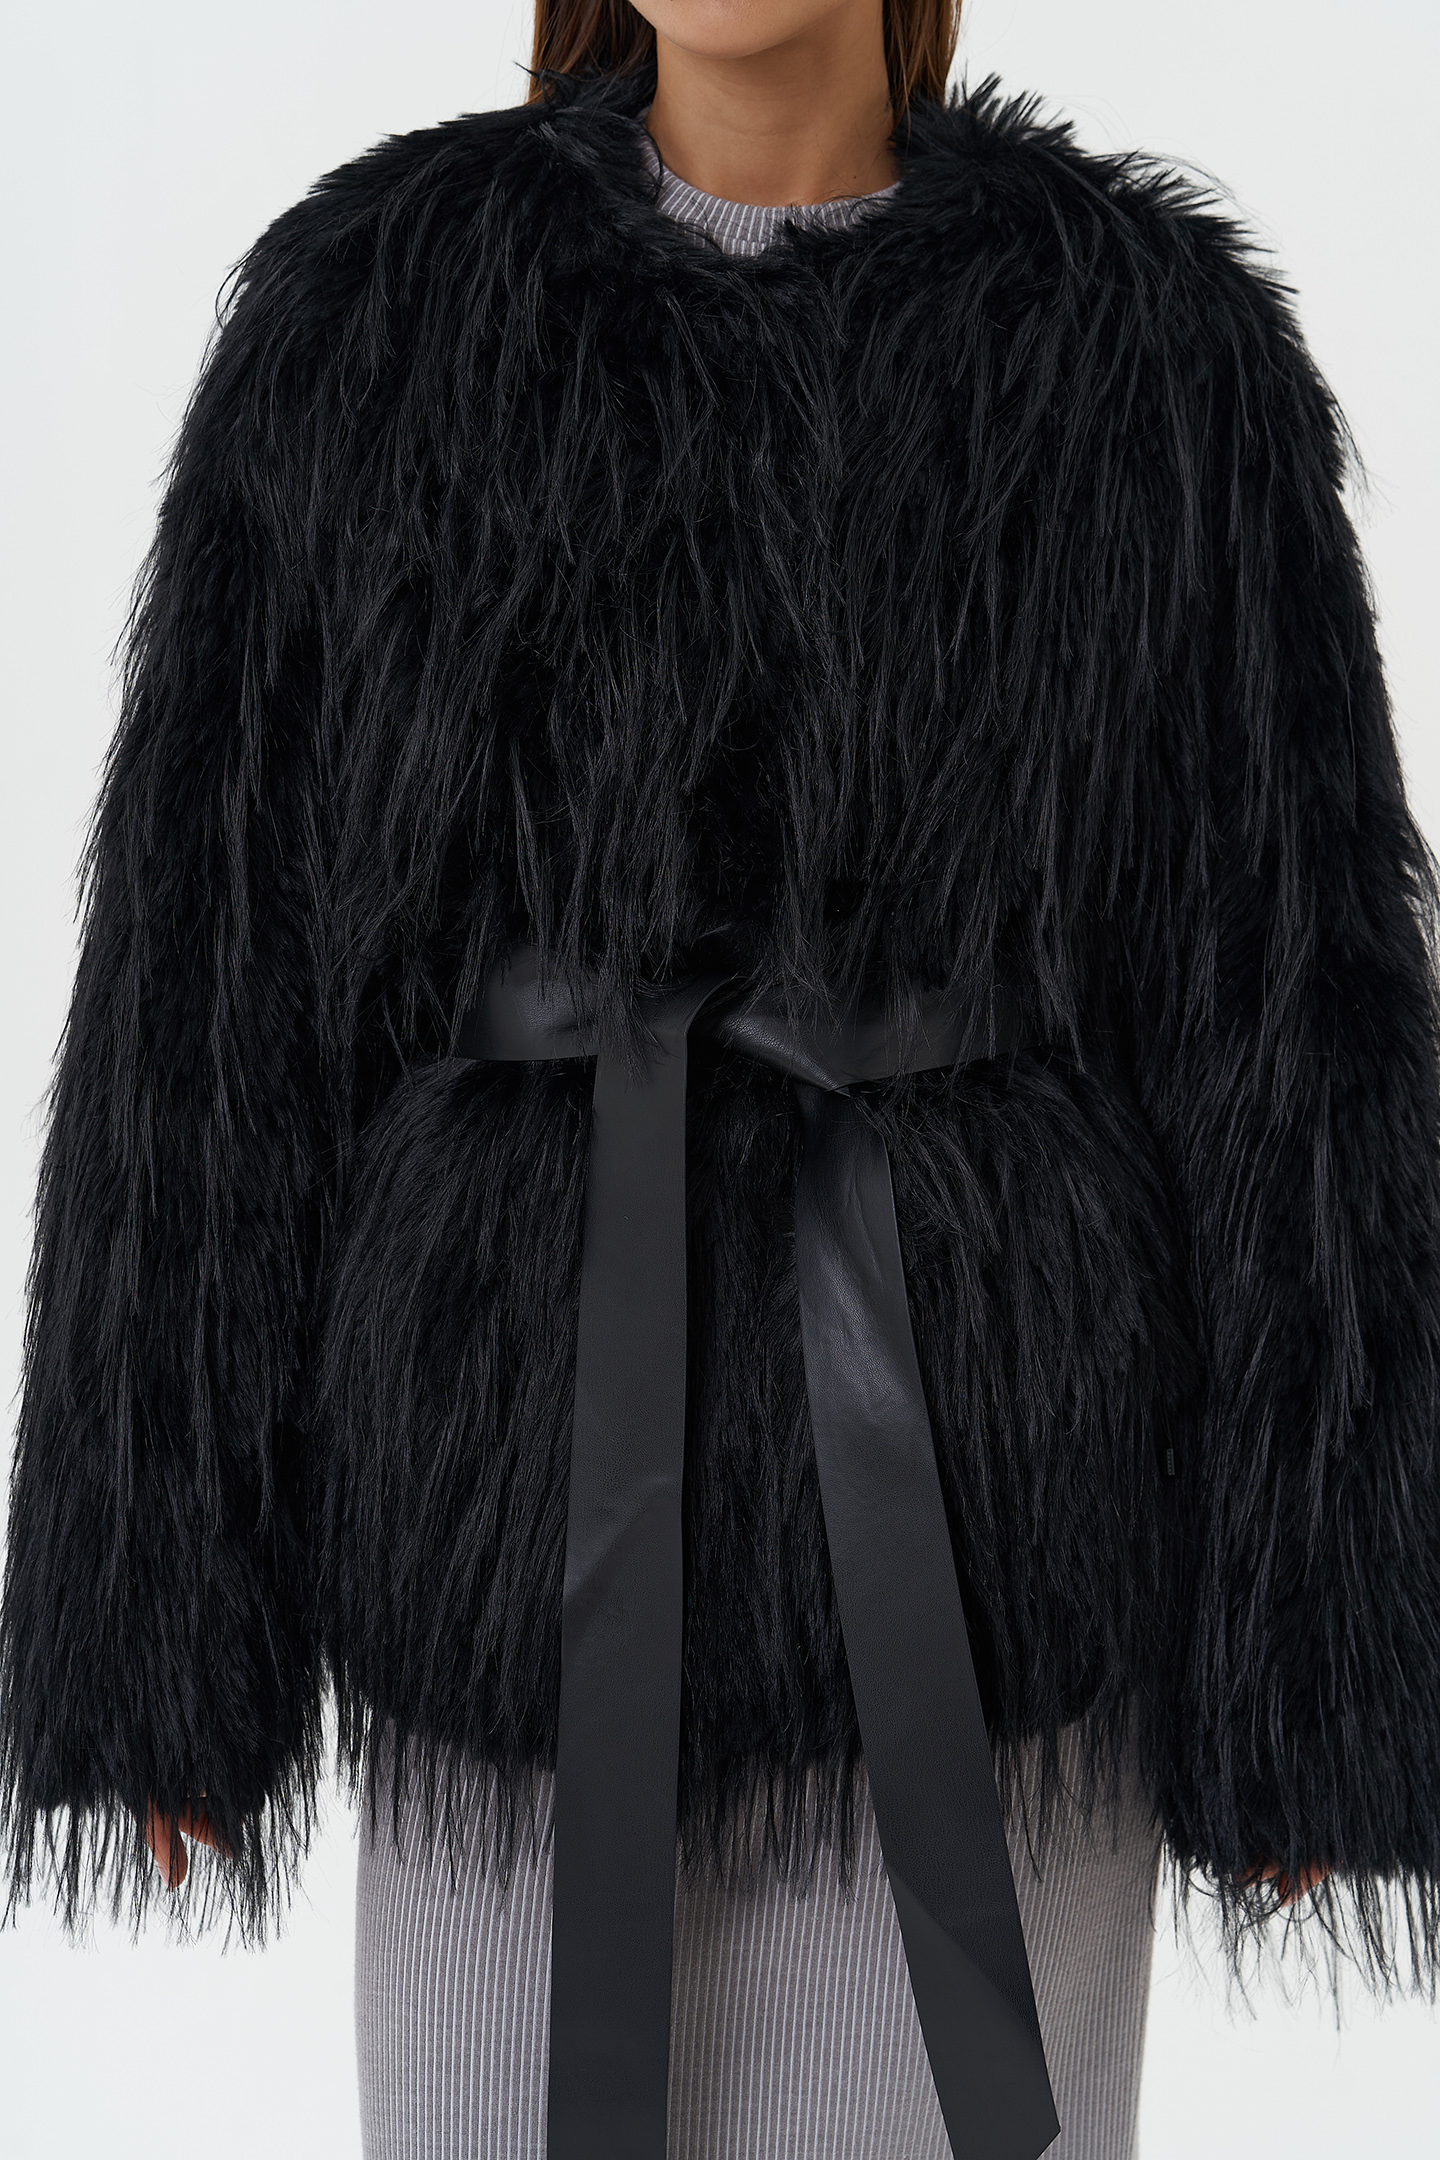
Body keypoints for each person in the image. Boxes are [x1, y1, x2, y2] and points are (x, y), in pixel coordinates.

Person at [3, 2, 1437, 2156]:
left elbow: (1302, 1022)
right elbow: (202, 994)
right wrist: (156, 1631)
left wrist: (1323, 1673)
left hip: (996, 1573)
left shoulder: (1154, 360)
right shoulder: (370, 327)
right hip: (506, 1561)